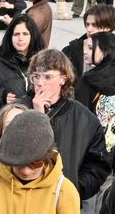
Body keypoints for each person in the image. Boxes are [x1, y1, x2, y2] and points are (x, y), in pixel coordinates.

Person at [22, 49, 110, 202]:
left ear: (63, 79)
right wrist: (38, 116)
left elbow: (98, 165)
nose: (40, 83)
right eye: (36, 76)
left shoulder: (84, 118)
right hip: (23, 197)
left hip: (64, 200)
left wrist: (74, 188)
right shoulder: (18, 110)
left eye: (48, 77)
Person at [0, 16, 45, 166]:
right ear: (10, 37)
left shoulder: (43, 65)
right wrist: (0, 96)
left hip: (30, 138)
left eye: (25, 34)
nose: (20, 38)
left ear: (33, 36)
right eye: (16, 34)